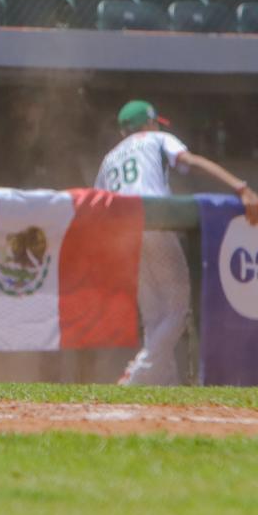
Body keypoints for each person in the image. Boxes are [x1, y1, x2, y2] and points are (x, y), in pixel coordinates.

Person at [95, 100, 258, 386]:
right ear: (149, 124)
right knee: (178, 309)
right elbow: (190, 161)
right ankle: (137, 373)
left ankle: (164, 383)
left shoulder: (109, 158)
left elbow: (98, 202)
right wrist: (240, 187)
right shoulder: (155, 138)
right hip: (155, 222)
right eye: (155, 123)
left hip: (125, 233)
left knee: (155, 315)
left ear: (123, 132)